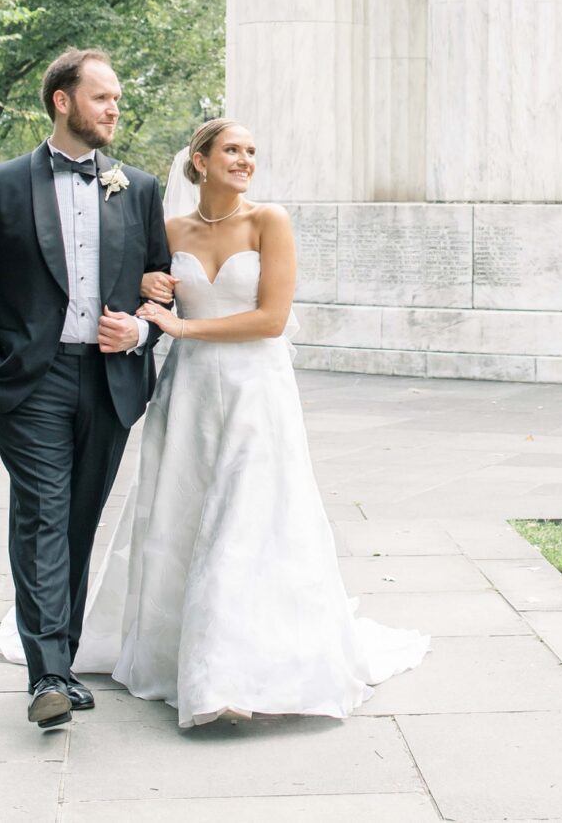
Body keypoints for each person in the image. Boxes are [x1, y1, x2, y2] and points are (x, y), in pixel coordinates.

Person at [88, 116, 429, 727]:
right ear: (199, 159)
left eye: (251, 152)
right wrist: (148, 285)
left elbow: (272, 319)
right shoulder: (170, 230)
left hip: (256, 392)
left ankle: (231, 672)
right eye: (232, 150)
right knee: (182, 515)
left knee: (245, 522)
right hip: (189, 393)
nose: (244, 160)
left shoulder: (270, 221)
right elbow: (143, 298)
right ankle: (175, 655)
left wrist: (184, 326)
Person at [0, 47, 172, 729]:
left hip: (109, 382)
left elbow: (158, 287)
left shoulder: (141, 187)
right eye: (102, 97)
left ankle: (61, 661)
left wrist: (139, 335)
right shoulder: (0, 184)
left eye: (118, 99)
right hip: (29, 381)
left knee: (77, 519)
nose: (114, 109)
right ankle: (46, 672)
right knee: (42, 512)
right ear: (62, 101)